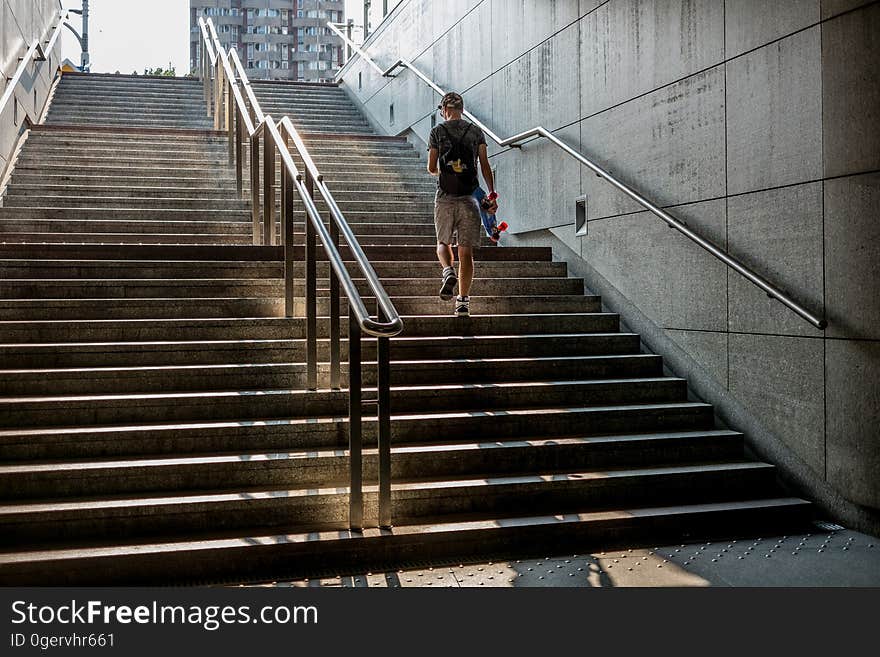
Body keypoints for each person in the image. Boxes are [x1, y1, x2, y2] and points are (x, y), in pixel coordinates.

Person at [426, 91, 497, 317]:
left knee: (442, 243)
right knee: (466, 253)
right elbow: (484, 165)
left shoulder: (437, 131)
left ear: (445, 110)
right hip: (469, 199)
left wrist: (444, 172)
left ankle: (447, 271)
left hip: (445, 196)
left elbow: (431, 167)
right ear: (462, 110)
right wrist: (492, 194)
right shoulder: (476, 132)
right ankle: (463, 302)